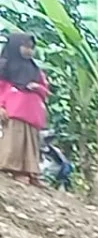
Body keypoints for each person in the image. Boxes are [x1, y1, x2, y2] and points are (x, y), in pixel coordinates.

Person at [0, 32, 50, 185]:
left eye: (31, 48)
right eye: (25, 47)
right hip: (14, 108)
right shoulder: (4, 65)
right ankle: (14, 170)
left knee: (32, 142)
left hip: (32, 111)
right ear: (16, 46)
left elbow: (45, 88)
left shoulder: (35, 68)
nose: (29, 51)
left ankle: (30, 172)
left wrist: (37, 87)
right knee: (15, 139)